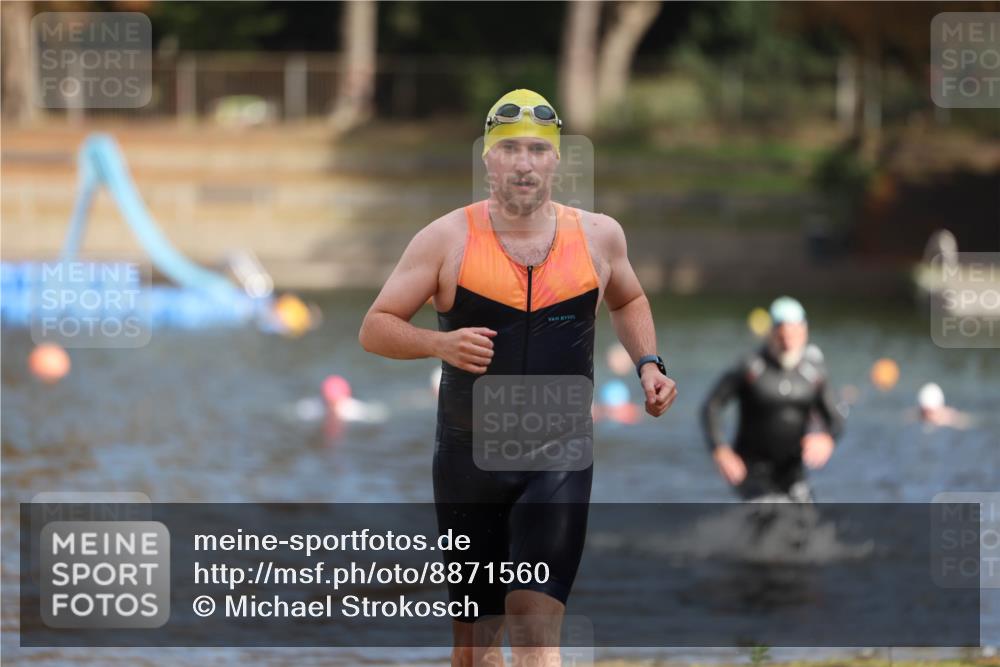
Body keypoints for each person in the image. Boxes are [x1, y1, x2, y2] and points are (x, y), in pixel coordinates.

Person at [359, 89, 677, 666]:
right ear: (488, 158)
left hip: (559, 457)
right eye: (509, 150)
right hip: (468, 462)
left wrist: (649, 364)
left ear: (556, 159)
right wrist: (439, 343)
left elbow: (629, 299)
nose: (523, 164)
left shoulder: (599, 236)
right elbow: (375, 327)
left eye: (536, 150)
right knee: (475, 647)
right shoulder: (446, 239)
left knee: (535, 626)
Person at [701, 296, 843, 502]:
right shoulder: (750, 367)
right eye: (782, 336)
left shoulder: (814, 373)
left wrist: (827, 438)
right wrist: (720, 450)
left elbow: (836, 418)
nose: (788, 343)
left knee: (808, 519)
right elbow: (711, 407)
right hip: (751, 473)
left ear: (804, 332)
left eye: (794, 335)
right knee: (771, 514)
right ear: (772, 333)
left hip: (793, 474)